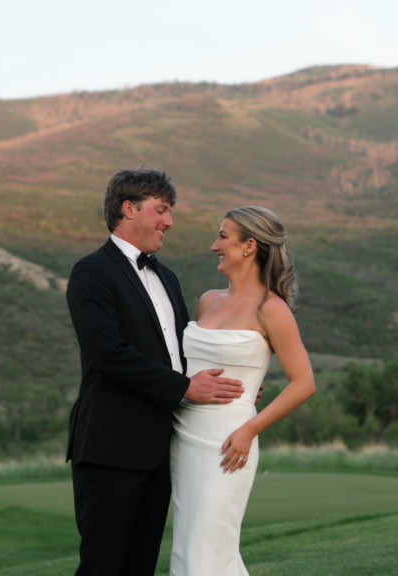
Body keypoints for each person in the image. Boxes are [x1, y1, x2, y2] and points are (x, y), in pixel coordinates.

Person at [65, 168, 249, 575]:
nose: (169, 221)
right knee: (103, 565)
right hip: (110, 447)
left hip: (161, 449)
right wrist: (185, 387)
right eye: (161, 210)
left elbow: (185, 352)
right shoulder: (91, 271)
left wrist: (235, 385)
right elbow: (108, 354)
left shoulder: (166, 276)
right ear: (128, 209)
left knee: (140, 566)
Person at [170, 206, 316, 575]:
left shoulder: (272, 308)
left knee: (209, 549)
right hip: (183, 435)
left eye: (222, 236)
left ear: (249, 246)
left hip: (229, 440)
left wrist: (249, 429)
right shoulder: (208, 300)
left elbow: (303, 384)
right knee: (188, 549)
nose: (213, 245)